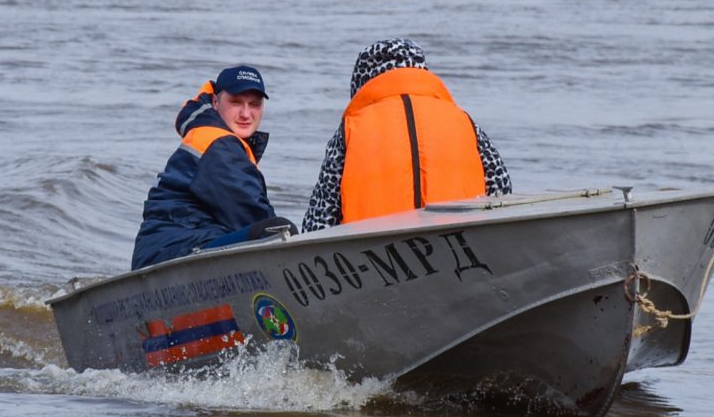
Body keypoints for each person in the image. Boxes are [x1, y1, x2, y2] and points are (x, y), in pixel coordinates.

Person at [302, 38, 512, 232]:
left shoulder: (350, 129)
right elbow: (501, 190)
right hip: (461, 247)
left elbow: (321, 214)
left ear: (361, 79)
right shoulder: (464, 121)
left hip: (375, 255)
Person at [131, 65, 296, 270]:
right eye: (236, 102)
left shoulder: (217, 138)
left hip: (179, 246)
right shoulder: (217, 144)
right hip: (170, 254)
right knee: (276, 230)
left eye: (254, 104)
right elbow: (252, 215)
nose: (246, 113)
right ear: (216, 102)